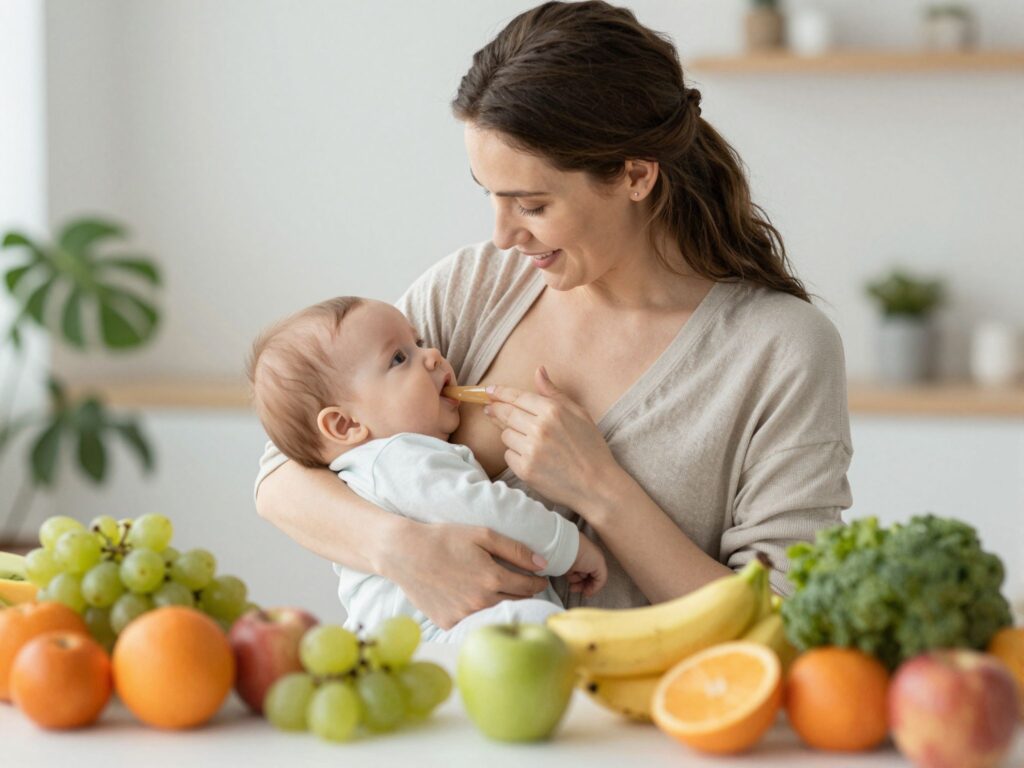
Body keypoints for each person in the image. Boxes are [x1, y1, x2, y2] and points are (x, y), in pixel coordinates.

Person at [255, 0, 852, 629]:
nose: (504, 236)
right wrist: (404, 551)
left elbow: (784, 624)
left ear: (635, 175)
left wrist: (602, 489)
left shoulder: (781, 350)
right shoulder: (473, 286)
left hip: (646, 721)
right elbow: (283, 474)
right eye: (489, 195)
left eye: (533, 205)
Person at [247, 296, 607, 639]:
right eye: (399, 358)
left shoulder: (378, 466)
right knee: (540, 627)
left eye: (419, 342)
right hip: (434, 637)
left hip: (422, 640)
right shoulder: (394, 458)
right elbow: (486, 509)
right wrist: (569, 547)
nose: (433, 355)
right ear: (345, 426)